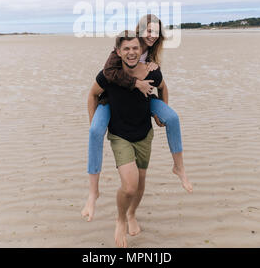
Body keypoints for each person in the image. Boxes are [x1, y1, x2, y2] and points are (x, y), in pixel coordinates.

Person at [81, 14, 192, 223]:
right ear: (140, 30)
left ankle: (179, 167)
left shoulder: (150, 54)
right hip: (110, 101)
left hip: (146, 99)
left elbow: (161, 86)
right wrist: (135, 83)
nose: (152, 35)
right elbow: (107, 73)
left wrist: (160, 111)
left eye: (156, 32)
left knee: (173, 118)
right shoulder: (124, 48)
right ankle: (93, 192)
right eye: (149, 31)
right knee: (95, 131)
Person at [87, 31, 165, 248]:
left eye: (135, 48)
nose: (131, 52)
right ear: (118, 52)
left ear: (141, 51)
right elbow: (92, 94)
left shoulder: (151, 72)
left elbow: (163, 88)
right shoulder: (109, 75)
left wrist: (161, 113)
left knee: (140, 184)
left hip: (144, 134)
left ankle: (132, 214)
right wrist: (95, 125)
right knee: (129, 187)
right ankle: (120, 219)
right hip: (120, 135)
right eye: (126, 49)